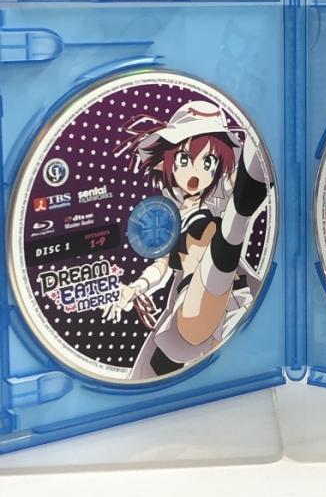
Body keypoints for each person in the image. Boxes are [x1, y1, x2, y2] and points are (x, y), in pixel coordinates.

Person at [103, 100, 270, 379]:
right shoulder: (172, 218)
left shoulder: (217, 198)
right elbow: (162, 265)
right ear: (166, 162)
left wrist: (254, 160)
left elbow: (247, 175)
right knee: (188, 343)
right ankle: (235, 224)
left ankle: (235, 222)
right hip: (191, 293)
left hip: (235, 290)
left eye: (208, 162)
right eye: (184, 159)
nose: (196, 171)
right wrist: (136, 287)